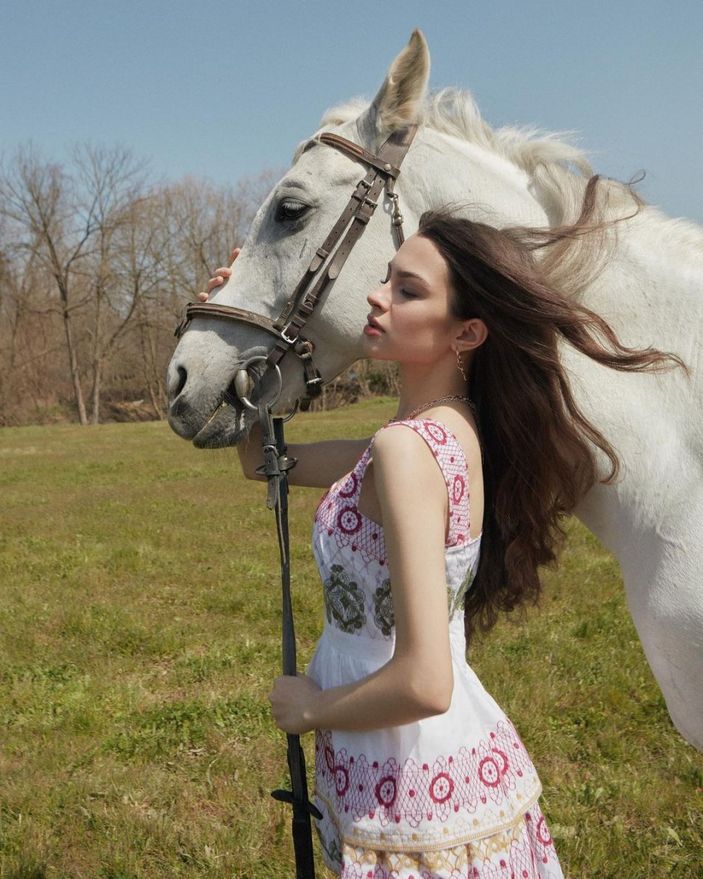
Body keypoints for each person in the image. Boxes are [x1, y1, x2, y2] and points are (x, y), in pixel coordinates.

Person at [201, 199, 679, 878]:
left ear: (466, 333)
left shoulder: (405, 452)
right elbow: (264, 462)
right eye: (386, 279)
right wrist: (236, 329)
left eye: (408, 290)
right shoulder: (442, 431)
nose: (377, 295)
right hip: (426, 765)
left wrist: (311, 708)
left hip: (407, 782)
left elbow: (424, 681)